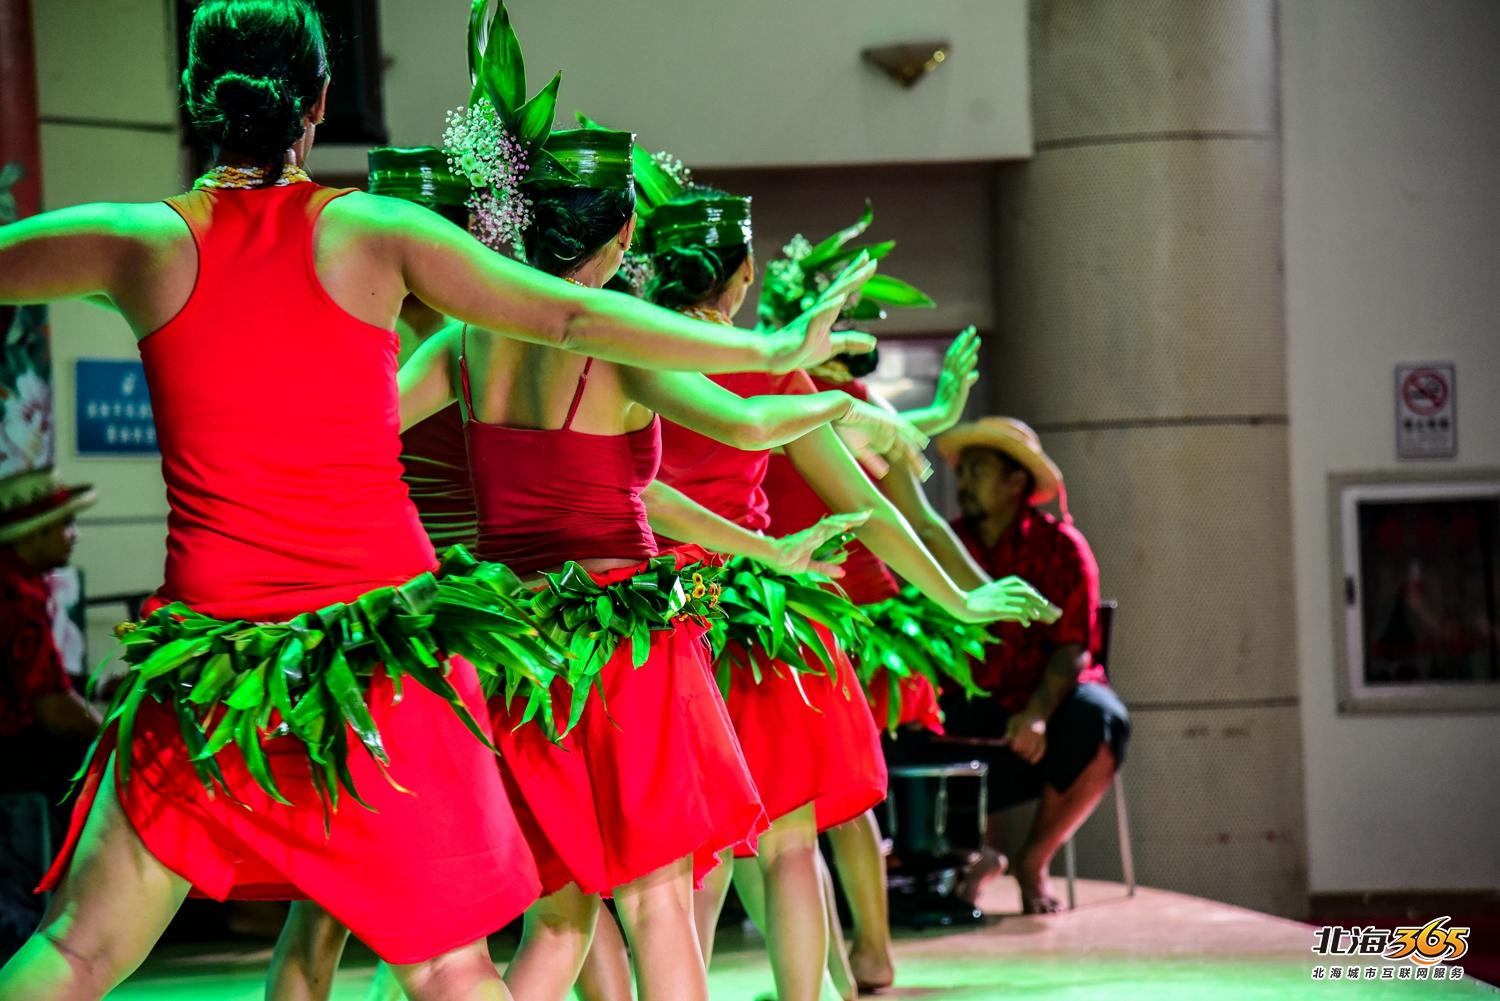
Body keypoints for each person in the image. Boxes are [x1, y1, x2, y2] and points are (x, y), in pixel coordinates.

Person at [0, 2, 870, 997]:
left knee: (76, 950)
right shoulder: (373, 232)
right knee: (449, 965)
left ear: (196, 100)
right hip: (384, 668)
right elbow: (573, 313)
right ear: (319, 104)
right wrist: (767, 350)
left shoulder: (136, 241)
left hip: (212, 666)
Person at [645, 188, 1058, 1001]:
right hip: (770, 613)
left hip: (664, 615)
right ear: (746, 275)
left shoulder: (635, 357)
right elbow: (867, 511)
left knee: (700, 852)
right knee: (791, 844)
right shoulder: (773, 370)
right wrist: (959, 599)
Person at [920, 416, 1132, 914]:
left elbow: (1072, 646)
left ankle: (1034, 859)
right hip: (961, 704)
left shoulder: (1061, 548)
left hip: (1038, 708)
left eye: (976, 471)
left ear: (1016, 483)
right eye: (963, 471)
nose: (963, 483)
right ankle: (966, 858)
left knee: (1102, 721)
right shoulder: (943, 546)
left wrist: (1036, 712)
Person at [0, 467, 101, 816]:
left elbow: (37, 679)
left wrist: (96, 687)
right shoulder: (14, 597)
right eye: (66, 525)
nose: (75, 536)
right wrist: (115, 739)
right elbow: (54, 710)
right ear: (33, 535)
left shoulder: (18, 581)